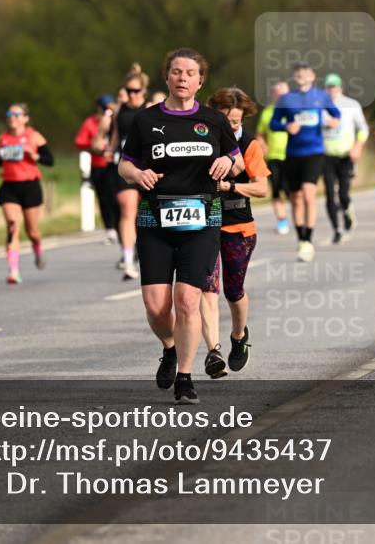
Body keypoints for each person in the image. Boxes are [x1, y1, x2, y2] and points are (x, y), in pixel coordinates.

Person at [117, 48, 241, 404]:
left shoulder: (213, 121)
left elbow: (234, 161)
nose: (182, 78)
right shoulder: (145, 120)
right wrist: (137, 173)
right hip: (155, 218)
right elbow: (124, 166)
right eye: (176, 72)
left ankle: (185, 377)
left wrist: (223, 162)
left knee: (187, 300)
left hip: (202, 218)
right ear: (167, 78)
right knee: (157, 306)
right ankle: (169, 347)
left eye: (190, 73)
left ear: (200, 81)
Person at [199, 87, 270, 379]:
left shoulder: (250, 144)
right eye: (226, 121)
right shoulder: (201, 140)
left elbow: (262, 188)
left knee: (232, 290)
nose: (231, 127)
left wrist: (230, 186)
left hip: (238, 226)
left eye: (236, 122)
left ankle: (239, 336)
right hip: (204, 224)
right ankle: (213, 351)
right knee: (207, 286)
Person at [270, 62, 341, 262]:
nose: (301, 75)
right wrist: (286, 127)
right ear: (294, 77)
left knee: (309, 195)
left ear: (311, 76)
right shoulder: (286, 99)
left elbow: (336, 114)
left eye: (305, 72)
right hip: (293, 154)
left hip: (314, 152)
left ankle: (308, 240)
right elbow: (274, 123)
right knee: (296, 198)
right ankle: (301, 239)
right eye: (298, 73)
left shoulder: (321, 96)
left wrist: (334, 121)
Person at [0, 103, 54, 284]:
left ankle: (37, 247)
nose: (12, 117)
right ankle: (13, 270)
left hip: (30, 187)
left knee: (32, 231)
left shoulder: (34, 136)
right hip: (9, 187)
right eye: (10, 114)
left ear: (25, 118)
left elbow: (50, 160)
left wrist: (36, 156)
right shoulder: (3, 138)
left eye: (17, 114)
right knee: (12, 225)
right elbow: (4, 161)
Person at [95, 65, 150, 280]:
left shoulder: (151, 109)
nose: (131, 95)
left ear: (144, 91)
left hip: (148, 168)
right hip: (126, 166)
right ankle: (128, 260)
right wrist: (108, 149)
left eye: (135, 91)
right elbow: (115, 137)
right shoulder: (120, 112)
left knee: (144, 213)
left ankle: (147, 252)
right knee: (127, 209)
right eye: (128, 90)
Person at [322, 73, 368, 244]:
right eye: (329, 87)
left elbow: (363, 128)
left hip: (346, 155)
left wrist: (358, 146)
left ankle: (348, 210)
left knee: (343, 194)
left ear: (340, 88)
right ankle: (337, 229)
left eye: (334, 87)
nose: (332, 90)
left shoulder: (351, 105)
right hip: (325, 155)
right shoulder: (319, 106)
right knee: (328, 193)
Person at [75, 95, 120, 244]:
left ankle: (121, 227)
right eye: (105, 107)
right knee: (104, 199)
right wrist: (94, 148)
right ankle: (110, 230)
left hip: (116, 166)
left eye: (110, 107)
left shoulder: (119, 120)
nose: (108, 110)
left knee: (117, 199)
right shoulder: (91, 122)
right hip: (99, 166)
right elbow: (79, 142)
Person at [256, 81, 291, 235]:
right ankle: (282, 220)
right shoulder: (268, 112)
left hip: (293, 156)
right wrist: (262, 144)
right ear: (273, 95)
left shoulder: (295, 110)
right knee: (276, 191)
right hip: (274, 157)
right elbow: (259, 133)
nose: (280, 95)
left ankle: (299, 217)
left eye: (283, 93)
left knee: (293, 192)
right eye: (277, 92)